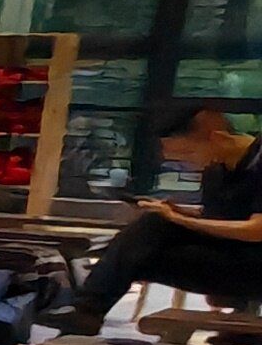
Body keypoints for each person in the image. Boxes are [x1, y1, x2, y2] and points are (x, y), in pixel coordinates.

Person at [51, 101, 262, 327]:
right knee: (137, 253)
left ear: (218, 138)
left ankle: (86, 312)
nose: (187, 164)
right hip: (235, 255)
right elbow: (222, 218)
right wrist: (179, 212)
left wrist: (177, 219)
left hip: (254, 267)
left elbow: (256, 230)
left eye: (187, 153)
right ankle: (85, 315)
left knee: (149, 232)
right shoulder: (218, 170)